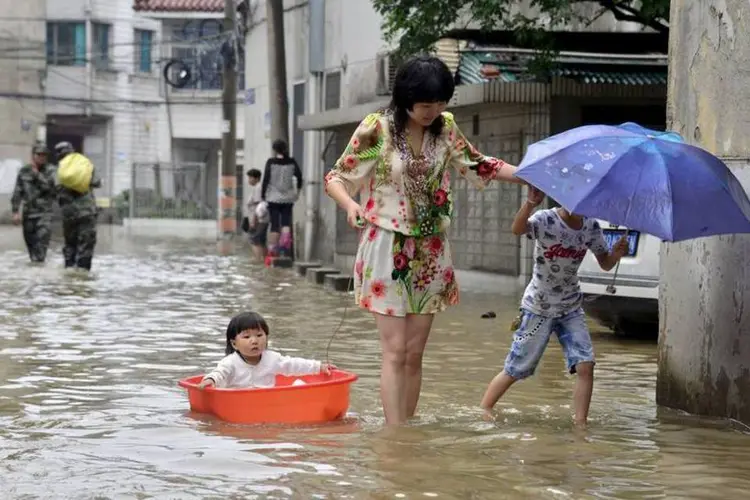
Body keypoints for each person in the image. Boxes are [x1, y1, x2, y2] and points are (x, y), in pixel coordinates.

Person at [324, 55, 524, 425]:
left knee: (414, 353)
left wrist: (529, 175)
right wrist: (351, 205)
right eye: (426, 105)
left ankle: (407, 432)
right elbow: (336, 176)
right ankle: (394, 434)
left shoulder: (445, 128)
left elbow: (479, 165)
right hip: (386, 245)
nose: (434, 110)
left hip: (431, 251)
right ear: (405, 99)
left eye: (441, 102)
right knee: (395, 351)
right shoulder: (377, 128)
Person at [479, 187, 630, 426]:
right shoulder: (545, 219)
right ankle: (485, 408)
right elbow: (517, 229)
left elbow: (605, 264)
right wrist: (530, 203)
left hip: (570, 307)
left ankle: (580, 424)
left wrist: (616, 254)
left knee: (585, 364)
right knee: (518, 367)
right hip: (538, 307)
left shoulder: (591, 227)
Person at [198, 311, 335, 389]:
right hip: (237, 403)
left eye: (259, 335)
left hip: (267, 402)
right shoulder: (230, 362)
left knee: (299, 385)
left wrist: (319, 366)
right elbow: (219, 373)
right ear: (234, 344)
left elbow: (293, 364)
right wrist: (211, 380)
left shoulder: (272, 359)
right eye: (246, 336)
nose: (254, 340)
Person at [54, 141, 102, 271]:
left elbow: (53, 189)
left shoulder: (58, 170)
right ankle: (82, 276)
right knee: (86, 245)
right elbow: (97, 182)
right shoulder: (86, 164)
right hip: (86, 212)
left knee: (70, 245)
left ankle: (69, 271)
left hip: (68, 214)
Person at [10, 142, 57, 263]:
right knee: (32, 252)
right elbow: (17, 192)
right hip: (28, 215)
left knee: (40, 250)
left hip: (44, 215)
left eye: (44, 155)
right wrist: (15, 212)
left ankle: (39, 277)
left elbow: (51, 188)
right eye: (39, 154)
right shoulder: (24, 171)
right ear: (33, 155)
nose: (42, 157)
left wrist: (36, 174)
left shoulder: (52, 170)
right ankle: (33, 276)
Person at [261, 139, 303, 258]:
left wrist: (263, 196)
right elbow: (300, 177)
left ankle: (272, 251)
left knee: (274, 225)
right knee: (285, 222)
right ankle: (284, 248)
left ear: (274, 149)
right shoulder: (291, 162)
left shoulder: (271, 162)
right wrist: (297, 192)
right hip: (288, 198)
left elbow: (266, 180)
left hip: (273, 198)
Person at [244, 168, 269, 261]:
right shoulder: (258, 187)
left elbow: (258, 205)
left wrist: (254, 220)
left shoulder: (258, 187)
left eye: (251, 178)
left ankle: (258, 260)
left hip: (259, 219)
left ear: (257, 178)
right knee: (261, 240)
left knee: (254, 239)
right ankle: (265, 260)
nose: (249, 180)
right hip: (261, 218)